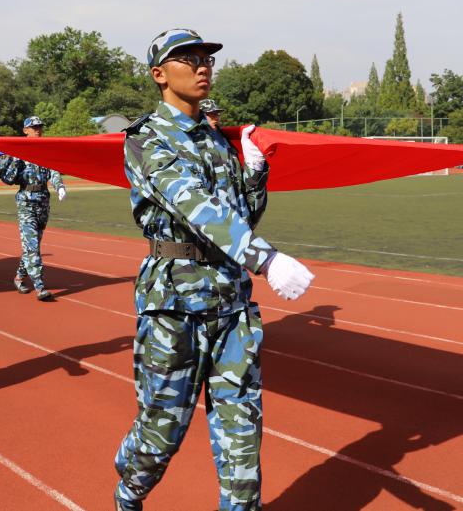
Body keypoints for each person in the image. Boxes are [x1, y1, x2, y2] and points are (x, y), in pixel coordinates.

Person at [113, 29, 314, 511]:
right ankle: (128, 489)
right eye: (187, 58)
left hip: (231, 305)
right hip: (175, 307)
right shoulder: (144, 140)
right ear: (160, 74)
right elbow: (197, 209)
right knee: (161, 436)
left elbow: (239, 217)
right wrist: (265, 258)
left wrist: (256, 175)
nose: (202, 65)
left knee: (242, 442)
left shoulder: (218, 141)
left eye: (206, 57)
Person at [1, 116, 66, 300]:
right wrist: (16, 159)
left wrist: (59, 185)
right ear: (25, 131)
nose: (38, 130)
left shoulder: (45, 151)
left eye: (40, 127)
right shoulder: (19, 152)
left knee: (32, 245)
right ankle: (40, 286)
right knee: (32, 246)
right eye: (34, 127)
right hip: (26, 203)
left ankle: (19, 277)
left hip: (43, 202)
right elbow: (7, 179)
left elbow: (53, 171)